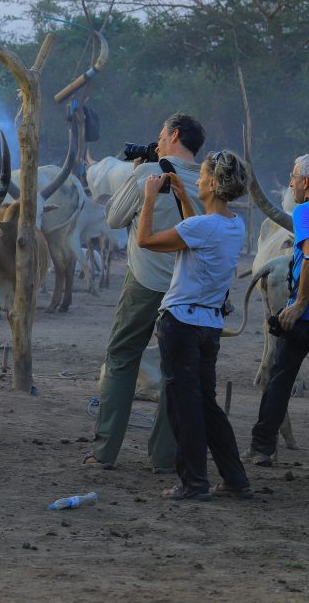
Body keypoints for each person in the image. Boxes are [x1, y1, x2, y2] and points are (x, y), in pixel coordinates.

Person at [85, 113, 206, 471]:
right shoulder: (208, 181)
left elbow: (113, 219)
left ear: (175, 135)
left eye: (161, 135)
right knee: (177, 369)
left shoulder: (147, 174)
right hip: (187, 289)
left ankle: (105, 451)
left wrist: (137, 174)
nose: (158, 142)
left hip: (145, 281)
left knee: (122, 358)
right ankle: (165, 458)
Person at [136, 150, 253, 500]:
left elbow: (145, 240)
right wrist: (185, 198)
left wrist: (148, 198)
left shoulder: (202, 227)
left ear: (213, 184)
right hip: (208, 326)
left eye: (202, 177)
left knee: (183, 405)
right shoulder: (235, 225)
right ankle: (235, 479)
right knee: (206, 404)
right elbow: (196, 233)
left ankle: (193, 483)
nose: (197, 180)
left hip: (181, 324)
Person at [248, 154, 309, 467]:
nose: (290, 183)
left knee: (280, 378)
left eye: (294, 177)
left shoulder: (304, 212)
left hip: (303, 317)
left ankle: (262, 448)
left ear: (306, 183)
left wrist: (299, 303)